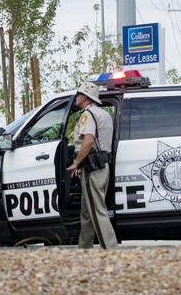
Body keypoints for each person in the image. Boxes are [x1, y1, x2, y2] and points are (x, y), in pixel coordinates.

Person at [65, 82, 118, 249]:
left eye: (79, 94)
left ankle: (111, 250)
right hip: (100, 166)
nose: (77, 98)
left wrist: (76, 163)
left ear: (86, 98)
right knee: (87, 212)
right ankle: (84, 249)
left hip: (93, 169)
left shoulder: (87, 115)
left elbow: (88, 141)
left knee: (96, 211)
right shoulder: (103, 114)